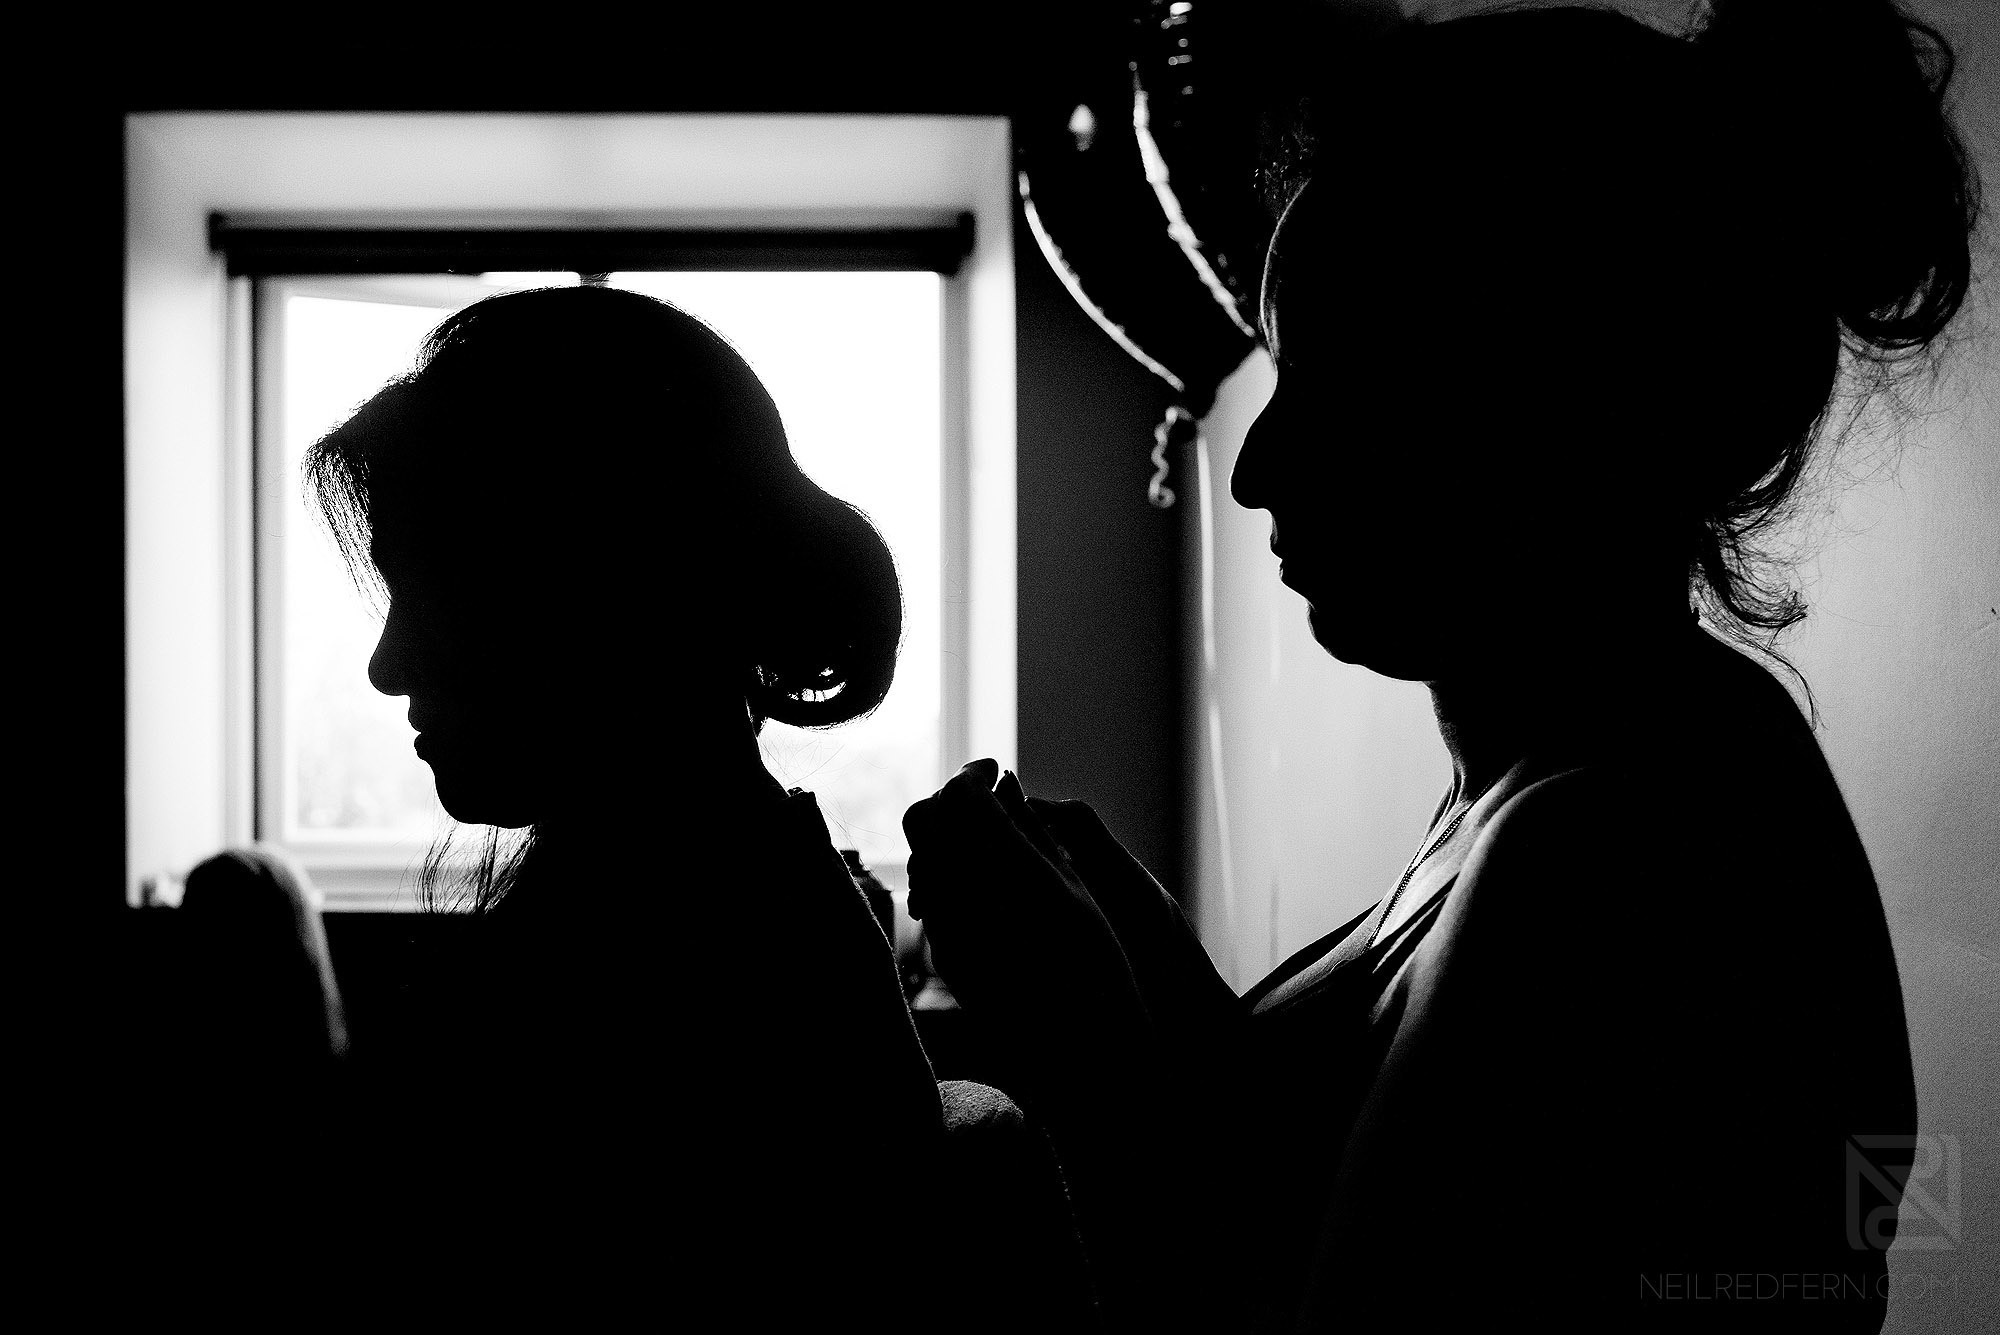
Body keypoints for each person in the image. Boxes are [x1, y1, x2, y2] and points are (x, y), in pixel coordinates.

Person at [903, 2, 1979, 1330]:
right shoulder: (1557, 774)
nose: (1255, 468)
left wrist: (1086, 1055)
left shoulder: (1618, 853)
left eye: (1341, 382)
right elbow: (1303, 1177)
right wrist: (1152, 983)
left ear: (1556, 394)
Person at [302, 285, 1093, 1326]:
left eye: (434, 592)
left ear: (592, 590)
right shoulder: (711, 891)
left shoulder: (698, 957)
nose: (386, 662)